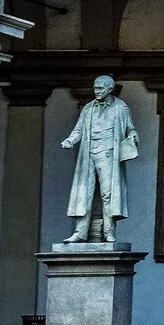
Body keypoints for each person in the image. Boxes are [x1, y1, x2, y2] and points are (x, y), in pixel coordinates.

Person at [60, 75, 140, 243]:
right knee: (85, 193)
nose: (96, 91)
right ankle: (80, 232)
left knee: (108, 194)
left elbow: (130, 129)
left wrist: (133, 137)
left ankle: (109, 232)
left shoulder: (120, 108)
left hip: (108, 155)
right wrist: (70, 140)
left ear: (110, 89)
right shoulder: (88, 108)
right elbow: (79, 130)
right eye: (95, 88)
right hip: (89, 154)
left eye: (100, 88)